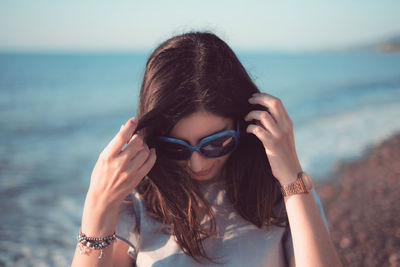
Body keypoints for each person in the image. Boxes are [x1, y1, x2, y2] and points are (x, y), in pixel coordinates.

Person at [71, 32, 342, 267]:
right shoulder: (137, 201)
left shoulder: (281, 191)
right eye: (175, 148)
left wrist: (291, 176)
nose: (197, 164)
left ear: (242, 123)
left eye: (214, 143)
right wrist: (98, 203)